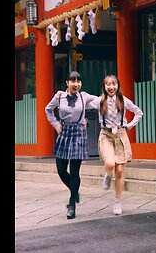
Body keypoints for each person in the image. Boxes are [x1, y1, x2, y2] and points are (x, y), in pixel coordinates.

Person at [44, 71, 100, 219]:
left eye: (78, 81)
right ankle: (75, 192)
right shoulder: (59, 96)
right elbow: (48, 109)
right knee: (61, 170)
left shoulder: (84, 96)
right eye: (73, 81)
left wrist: (114, 97)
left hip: (78, 134)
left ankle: (72, 205)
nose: (76, 84)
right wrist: (55, 124)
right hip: (64, 132)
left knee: (74, 171)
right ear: (67, 83)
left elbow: (101, 100)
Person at [98, 75, 143, 215]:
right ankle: (107, 174)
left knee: (120, 171)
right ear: (104, 87)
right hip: (106, 135)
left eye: (114, 84)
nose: (111, 87)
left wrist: (129, 126)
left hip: (120, 135)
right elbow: (84, 101)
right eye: (108, 84)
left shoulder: (123, 100)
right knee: (110, 164)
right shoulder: (99, 100)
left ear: (117, 85)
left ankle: (117, 202)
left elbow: (138, 112)